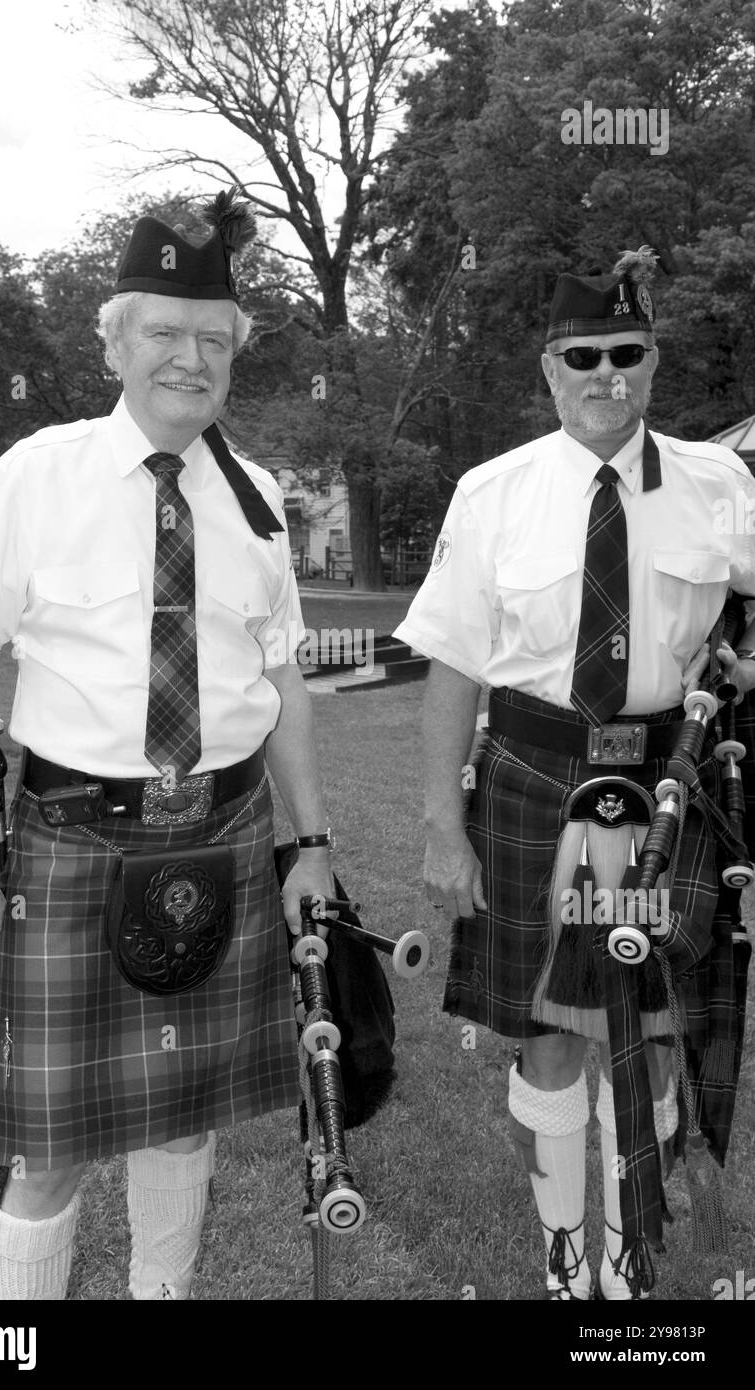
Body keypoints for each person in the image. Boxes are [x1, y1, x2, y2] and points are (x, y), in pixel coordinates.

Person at [0, 190, 335, 1301]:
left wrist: (315, 842)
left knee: (183, 1121)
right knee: (48, 1146)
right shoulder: (35, 475)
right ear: (114, 340)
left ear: (236, 355)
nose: (189, 358)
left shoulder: (257, 502)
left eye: (213, 338)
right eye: (162, 331)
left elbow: (286, 682)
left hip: (227, 833)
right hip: (71, 839)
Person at [396, 248, 755, 1300]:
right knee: (548, 1035)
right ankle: (566, 1254)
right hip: (529, 779)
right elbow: (453, 668)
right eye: (584, 356)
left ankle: (629, 1255)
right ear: (551, 369)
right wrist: (439, 827)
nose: (609, 376)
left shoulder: (719, 483)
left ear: (654, 360)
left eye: (628, 354)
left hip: (663, 792)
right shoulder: (494, 490)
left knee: (644, 1028)